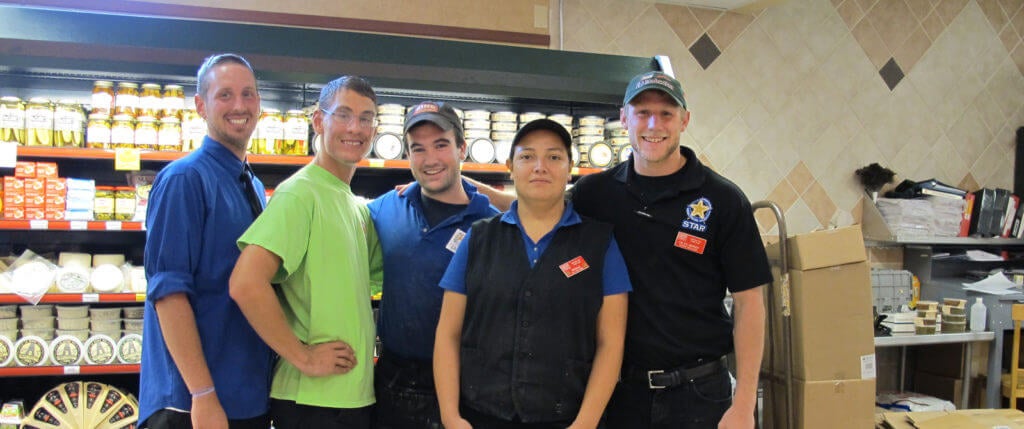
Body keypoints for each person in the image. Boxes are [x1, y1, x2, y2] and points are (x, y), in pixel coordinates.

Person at [479, 71, 770, 429]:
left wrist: (743, 406)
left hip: (698, 394)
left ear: (685, 120)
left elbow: (749, 303)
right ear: (624, 119)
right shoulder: (595, 193)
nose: (653, 124)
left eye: (666, 114)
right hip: (620, 395)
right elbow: (536, 207)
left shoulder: (723, 200)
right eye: (642, 112)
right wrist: (455, 187)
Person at [434, 118, 631, 429]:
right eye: (527, 157)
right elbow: (447, 334)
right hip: (480, 417)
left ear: (570, 167)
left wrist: (586, 422)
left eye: (554, 157)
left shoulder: (600, 243)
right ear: (511, 166)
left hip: (567, 419)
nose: (540, 167)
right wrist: (451, 416)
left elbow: (611, 342)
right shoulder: (478, 238)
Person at [228, 76, 382, 429]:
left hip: (348, 395)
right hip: (312, 402)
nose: (355, 128)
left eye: (365, 118)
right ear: (318, 121)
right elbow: (246, 283)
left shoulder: (353, 205)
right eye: (343, 115)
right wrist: (304, 357)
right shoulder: (299, 194)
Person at [140, 53, 274, 429]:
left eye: (248, 95)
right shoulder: (184, 179)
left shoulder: (251, 185)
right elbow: (168, 294)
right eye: (225, 95)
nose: (239, 106)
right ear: (201, 105)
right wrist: (202, 394)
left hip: (242, 395)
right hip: (191, 405)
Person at [367, 101, 499, 429]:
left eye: (441, 145)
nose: (430, 160)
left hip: (467, 389)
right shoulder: (385, 209)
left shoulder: (493, 225)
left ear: (462, 148)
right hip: (393, 384)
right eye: (418, 149)